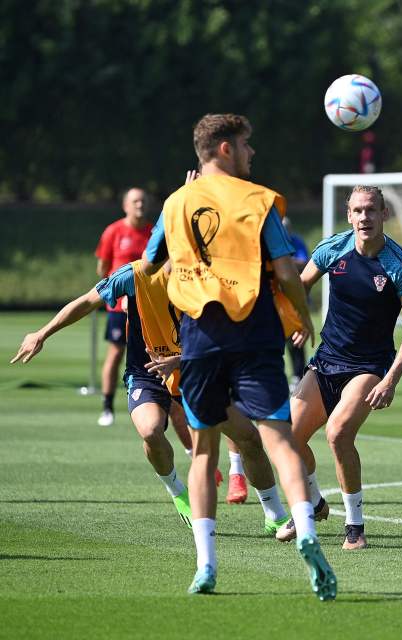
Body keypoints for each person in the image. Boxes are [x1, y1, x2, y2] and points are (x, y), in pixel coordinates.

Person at [142, 113, 335, 599]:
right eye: (247, 145)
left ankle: (205, 565)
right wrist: (303, 313)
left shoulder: (175, 202)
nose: (252, 154)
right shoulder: (258, 199)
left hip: (200, 337)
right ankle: (307, 535)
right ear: (225, 149)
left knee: (204, 450)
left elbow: (149, 264)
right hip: (255, 334)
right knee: (280, 439)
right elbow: (287, 271)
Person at [9, 260, 291, 537]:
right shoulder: (135, 275)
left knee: (249, 438)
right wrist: (42, 333)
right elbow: (86, 301)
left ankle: (275, 515)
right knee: (150, 431)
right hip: (147, 371)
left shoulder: (206, 276)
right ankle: (179, 493)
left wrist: (178, 360)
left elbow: (229, 339)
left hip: (196, 370)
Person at [279, 185, 402, 550]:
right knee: (288, 438)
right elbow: (298, 286)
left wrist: (391, 379)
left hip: (369, 366)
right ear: (349, 215)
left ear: (383, 214)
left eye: (372, 210)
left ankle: (355, 527)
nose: (365, 218)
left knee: (338, 434)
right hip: (327, 360)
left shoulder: (401, 266)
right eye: (358, 211)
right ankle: (312, 504)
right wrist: (298, 319)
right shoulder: (332, 249)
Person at [94, 187, 153, 426]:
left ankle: (157, 401)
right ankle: (107, 407)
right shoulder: (114, 231)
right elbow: (103, 267)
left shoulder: (153, 231)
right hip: (120, 308)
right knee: (116, 353)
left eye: (143, 201)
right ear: (125, 205)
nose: (140, 205)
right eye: (135, 201)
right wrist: (116, 290)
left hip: (148, 307)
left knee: (154, 352)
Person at [282, 215, 311, 387]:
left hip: (296, 299)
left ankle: (298, 376)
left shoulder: (296, 242)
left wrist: (283, 261)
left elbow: (305, 263)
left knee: (297, 339)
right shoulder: (271, 243)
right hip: (278, 300)